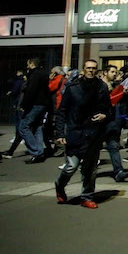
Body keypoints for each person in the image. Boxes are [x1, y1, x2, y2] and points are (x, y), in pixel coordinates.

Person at [54, 59, 110, 208]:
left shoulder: (102, 87)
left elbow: (108, 109)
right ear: (83, 70)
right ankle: (60, 185)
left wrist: (104, 115)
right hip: (75, 132)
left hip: (93, 133)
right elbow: (62, 111)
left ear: (97, 71)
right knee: (71, 166)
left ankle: (87, 196)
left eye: (93, 68)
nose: (91, 71)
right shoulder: (73, 88)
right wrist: (60, 133)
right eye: (88, 68)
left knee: (90, 169)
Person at [19, 58, 51, 164]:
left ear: (32, 64)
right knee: (37, 127)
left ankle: (36, 151)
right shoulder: (44, 73)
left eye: (28, 64)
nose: (27, 66)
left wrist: (24, 104)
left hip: (35, 104)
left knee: (23, 127)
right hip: (43, 104)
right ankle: (39, 151)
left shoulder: (35, 74)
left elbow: (31, 91)